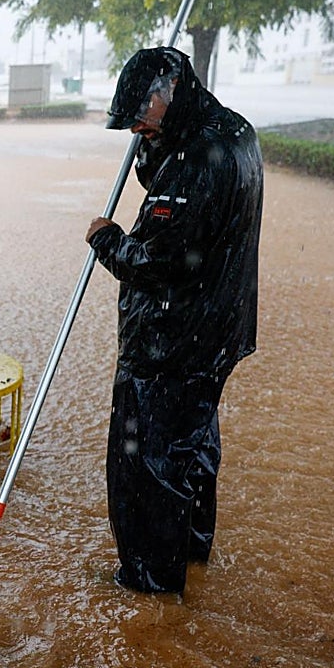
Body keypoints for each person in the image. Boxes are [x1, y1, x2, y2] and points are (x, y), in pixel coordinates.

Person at [85, 46, 263, 595]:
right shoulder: (234, 132)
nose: (137, 127)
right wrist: (153, 145)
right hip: (217, 333)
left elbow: (158, 261)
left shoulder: (195, 161)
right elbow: (180, 203)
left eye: (142, 114)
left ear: (169, 92)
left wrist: (107, 241)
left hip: (170, 342)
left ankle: (149, 583)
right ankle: (190, 553)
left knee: (145, 467)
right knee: (192, 447)